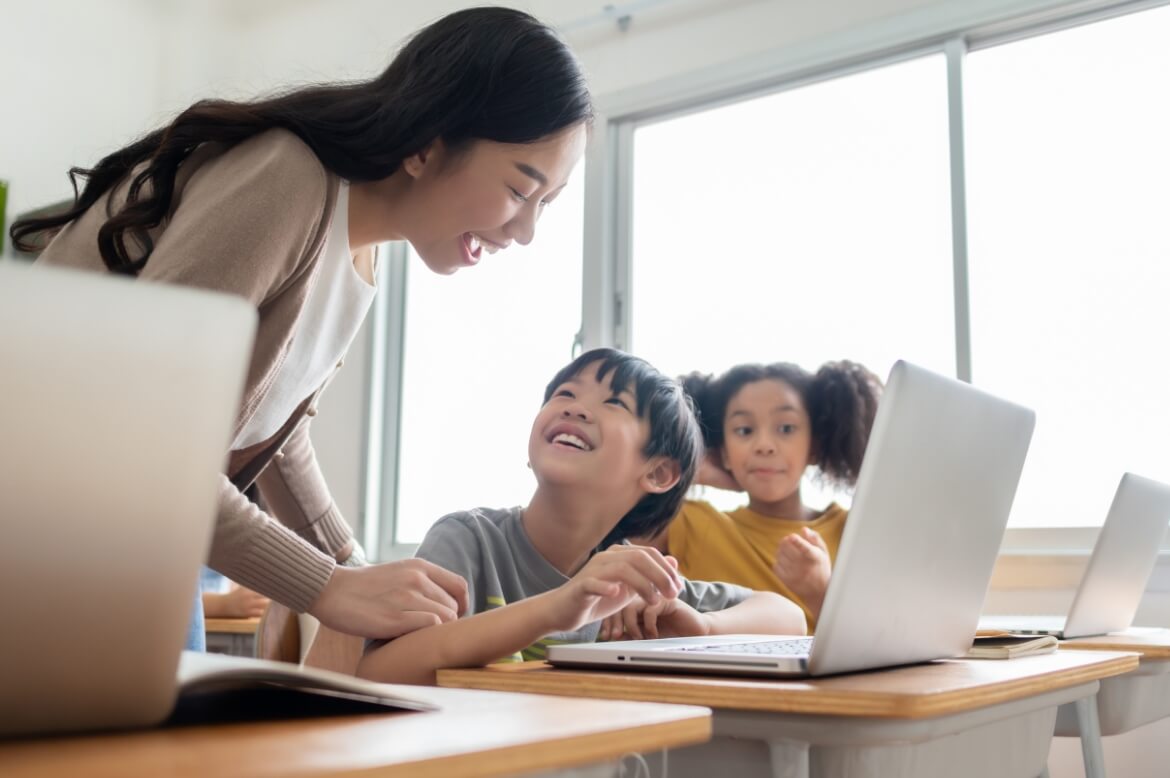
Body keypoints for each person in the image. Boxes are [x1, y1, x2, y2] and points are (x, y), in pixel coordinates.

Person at [10, 7, 593, 646]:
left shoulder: (362, 254)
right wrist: (327, 585)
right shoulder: (288, 177)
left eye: (547, 204)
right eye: (519, 189)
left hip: (130, 531)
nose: (526, 231)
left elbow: (276, 436)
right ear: (428, 144)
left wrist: (353, 568)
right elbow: (144, 431)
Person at [355, 348, 808, 685]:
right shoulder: (468, 540)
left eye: (614, 403)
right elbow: (379, 672)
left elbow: (788, 617)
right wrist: (556, 609)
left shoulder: (629, 576)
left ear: (659, 471)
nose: (573, 405)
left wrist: (704, 626)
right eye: (565, 393)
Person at [647, 361, 882, 630]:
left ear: (814, 445)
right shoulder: (691, 524)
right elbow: (610, 535)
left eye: (786, 428)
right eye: (744, 430)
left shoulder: (854, 532)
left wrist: (821, 593)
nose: (764, 446)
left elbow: (881, 638)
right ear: (723, 451)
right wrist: (692, 469)